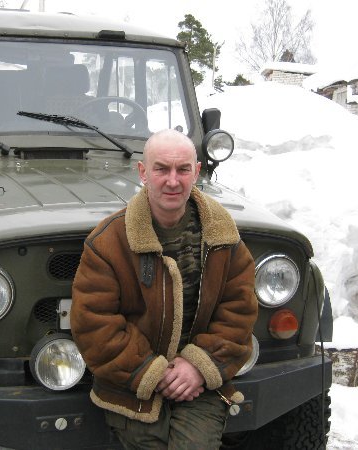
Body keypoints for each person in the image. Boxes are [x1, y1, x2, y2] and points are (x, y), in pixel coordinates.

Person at [71, 128, 258, 449]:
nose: (173, 181)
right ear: (143, 172)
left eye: (183, 169)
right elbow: (94, 323)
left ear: (196, 172)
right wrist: (154, 372)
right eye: (161, 169)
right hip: (132, 382)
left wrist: (198, 365)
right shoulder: (108, 242)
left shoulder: (222, 237)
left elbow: (238, 310)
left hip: (200, 380)